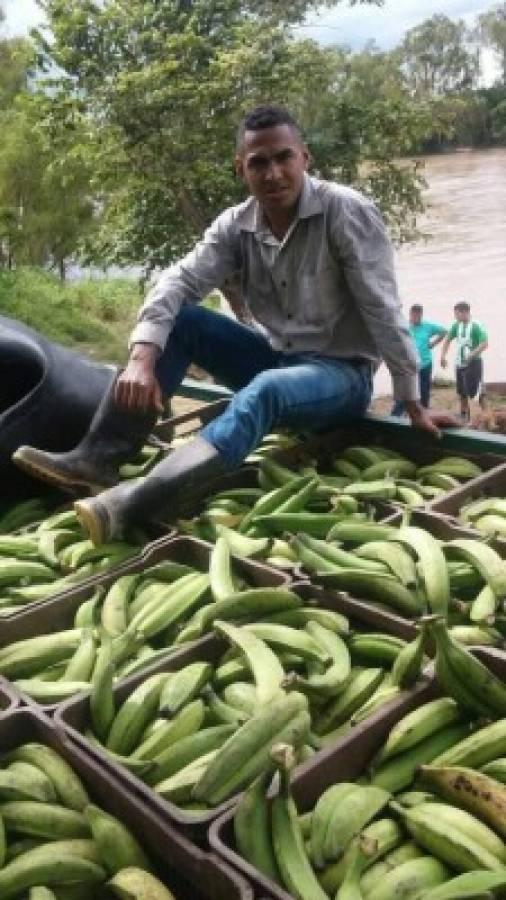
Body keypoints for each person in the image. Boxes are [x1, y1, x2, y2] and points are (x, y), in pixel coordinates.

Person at [13, 105, 457, 544]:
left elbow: (382, 307)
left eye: (284, 157)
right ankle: (97, 460)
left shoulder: (345, 212)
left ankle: (138, 501)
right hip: (280, 359)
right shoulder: (236, 225)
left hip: (341, 376)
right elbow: (179, 280)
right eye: (259, 163)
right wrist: (141, 358)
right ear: (241, 169)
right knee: (182, 321)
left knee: (267, 388)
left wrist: (411, 400)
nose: (273, 173)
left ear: (305, 157)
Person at [391, 304, 447, 416]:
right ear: (410, 314)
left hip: (425, 363)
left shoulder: (428, 326)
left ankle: (424, 413)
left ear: (421, 315)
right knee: (406, 391)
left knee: (424, 391)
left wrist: (433, 344)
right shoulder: (404, 326)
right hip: (409, 365)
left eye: (418, 315)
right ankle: (397, 416)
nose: (416, 317)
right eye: (413, 314)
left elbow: (444, 331)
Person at [440, 302, 488, 423]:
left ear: (464, 312)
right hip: (460, 363)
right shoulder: (457, 325)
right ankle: (464, 416)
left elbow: (485, 343)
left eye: (456, 314)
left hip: (474, 363)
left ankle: (488, 416)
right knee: (462, 392)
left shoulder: (476, 325)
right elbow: (447, 339)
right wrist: (443, 355)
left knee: (477, 393)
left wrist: (472, 354)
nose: (455, 316)